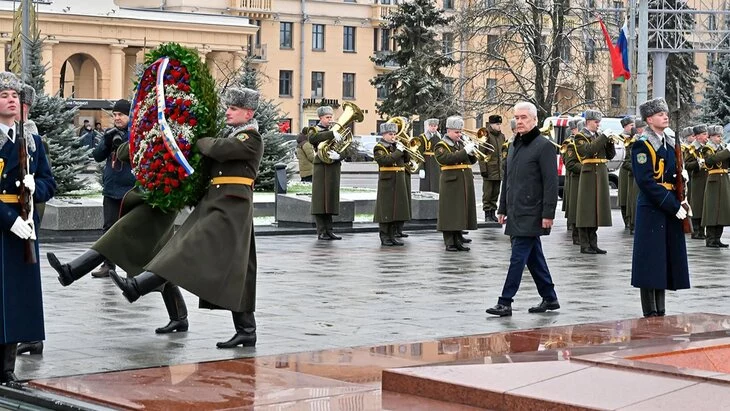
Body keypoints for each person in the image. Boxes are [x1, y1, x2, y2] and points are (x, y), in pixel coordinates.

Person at [108, 86, 263, 349]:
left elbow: (218, 149)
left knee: (186, 249)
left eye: (233, 109)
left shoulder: (250, 138)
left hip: (231, 209)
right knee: (236, 270)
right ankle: (246, 330)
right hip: (217, 204)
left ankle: (138, 286)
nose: (228, 112)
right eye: (228, 107)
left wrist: (198, 140)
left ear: (248, 113)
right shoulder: (236, 135)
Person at [47, 140, 188, 335]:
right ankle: (179, 317)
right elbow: (123, 154)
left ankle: (71, 271)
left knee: (117, 234)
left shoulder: (174, 130)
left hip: (164, 197)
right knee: (159, 258)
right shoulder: (148, 129)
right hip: (149, 197)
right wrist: (139, 134)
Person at [0, 72, 56, 386]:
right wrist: (10, 221)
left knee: (17, 298)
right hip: (6, 225)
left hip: (25, 225)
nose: (11, 99)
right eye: (4, 94)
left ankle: (7, 368)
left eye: (14, 95)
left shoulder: (31, 142)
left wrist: (36, 188)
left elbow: (50, 182)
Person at [486, 102, 559, 317]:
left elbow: (551, 183)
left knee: (518, 258)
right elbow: (507, 180)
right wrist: (502, 207)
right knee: (534, 257)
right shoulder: (514, 145)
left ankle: (505, 301)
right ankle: (550, 297)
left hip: (533, 212)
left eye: (524, 117)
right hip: (516, 211)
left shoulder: (543, 146)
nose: (519, 121)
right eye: (517, 117)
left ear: (535, 120)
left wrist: (548, 214)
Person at [630, 98, 690, 317]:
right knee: (650, 260)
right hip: (653, 207)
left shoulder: (670, 141)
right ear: (649, 119)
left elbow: (673, 172)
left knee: (663, 258)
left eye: (665, 113)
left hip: (669, 205)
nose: (665, 116)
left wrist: (681, 178)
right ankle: (650, 311)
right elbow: (646, 182)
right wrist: (672, 205)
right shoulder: (642, 144)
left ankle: (661, 309)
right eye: (660, 114)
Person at [91, 99, 136, 278]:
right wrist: (106, 140)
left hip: (131, 190)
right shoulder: (111, 134)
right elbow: (97, 156)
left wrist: (126, 138)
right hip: (111, 189)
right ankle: (108, 265)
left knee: (131, 229)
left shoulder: (136, 133)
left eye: (121, 115)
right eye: (115, 115)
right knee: (108, 228)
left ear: (129, 115)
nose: (117, 118)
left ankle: (133, 268)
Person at [434, 116, 478, 251]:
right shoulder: (441, 145)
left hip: (462, 182)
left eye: (460, 132)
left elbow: (472, 161)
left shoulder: (459, 144)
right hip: (451, 183)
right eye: (456, 132)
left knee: (460, 212)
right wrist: (465, 151)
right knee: (450, 212)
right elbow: (446, 159)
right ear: (448, 131)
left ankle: (458, 239)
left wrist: (471, 151)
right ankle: (449, 242)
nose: (459, 135)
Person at [574, 109, 615, 254]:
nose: (598, 125)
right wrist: (603, 137)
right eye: (596, 122)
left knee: (597, 210)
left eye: (599, 122)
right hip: (588, 174)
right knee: (586, 210)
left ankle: (593, 243)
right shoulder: (580, 136)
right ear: (588, 122)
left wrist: (610, 142)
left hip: (600, 173)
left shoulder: (598, 136)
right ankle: (584, 244)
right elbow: (588, 150)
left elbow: (610, 155)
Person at [308, 106, 343, 240]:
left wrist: (339, 155)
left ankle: (329, 230)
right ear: (320, 118)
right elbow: (313, 138)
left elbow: (344, 146)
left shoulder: (335, 130)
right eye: (327, 117)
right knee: (320, 199)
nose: (330, 120)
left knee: (330, 199)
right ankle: (321, 231)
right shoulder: (314, 129)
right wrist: (331, 134)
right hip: (321, 166)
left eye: (331, 117)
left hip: (333, 166)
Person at [373, 122, 410, 246]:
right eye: (390, 134)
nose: (393, 136)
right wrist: (399, 151)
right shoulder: (379, 147)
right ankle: (384, 236)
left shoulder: (395, 146)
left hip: (399, 180)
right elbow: (385, 161)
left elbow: (406, 160)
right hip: (387, 181)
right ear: (383, 135)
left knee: (396, 209)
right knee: (386, 210)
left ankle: (392, 235)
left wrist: (404, 150)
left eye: (394, 134)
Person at [700, 125, 730, 248]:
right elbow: (711, 160)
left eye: (720, 136)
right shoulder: (707, 148)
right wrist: (728, 151)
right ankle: (711, 238)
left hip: (724, 180)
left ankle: (718, 238)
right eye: (717, 136)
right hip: (713, 181)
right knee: (712, 210)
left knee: (722, 210)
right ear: (711, 137)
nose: (720, 139)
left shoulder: (722, 148)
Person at [479, 115, 505, 222]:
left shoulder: (502, 136)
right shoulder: (485, 135)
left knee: (496, 192)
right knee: (488, 192)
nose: (499, 126)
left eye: (499, 124)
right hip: (489, 169)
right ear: (491, 124)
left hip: (499, 169)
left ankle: (493, 212)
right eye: (497, 124)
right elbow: (481, 153)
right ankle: (487, 213)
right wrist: (483, 169)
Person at [685, 124, 709, 239]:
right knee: (697, 205)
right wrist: (697, 163)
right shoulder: (692, 149)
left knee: (704, 205)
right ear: (697, 136)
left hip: (707, 178)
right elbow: (687, 165)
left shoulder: (707, 147)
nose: (706, 136)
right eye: (704, 134)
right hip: (697, 179)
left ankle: (702, 230)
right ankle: (696, 231)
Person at [617, 116, 635, 228]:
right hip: (624, 169)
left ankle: (631, 219)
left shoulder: (635, 137)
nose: (633, 127)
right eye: (631, 125)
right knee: (624, 195)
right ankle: (627, 220)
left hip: (632, 169)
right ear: (625, 127)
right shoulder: (620, 138)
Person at [416, 118, 441, 193]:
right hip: (427, 164)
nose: (433, 127)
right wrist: (421, 168)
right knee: (426, 186)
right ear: (428, 126)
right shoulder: (422, 137)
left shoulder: (439, 137)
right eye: (431, 125)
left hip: (436, 164)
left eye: (435, 126)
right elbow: (419, 153)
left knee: (436, 186)